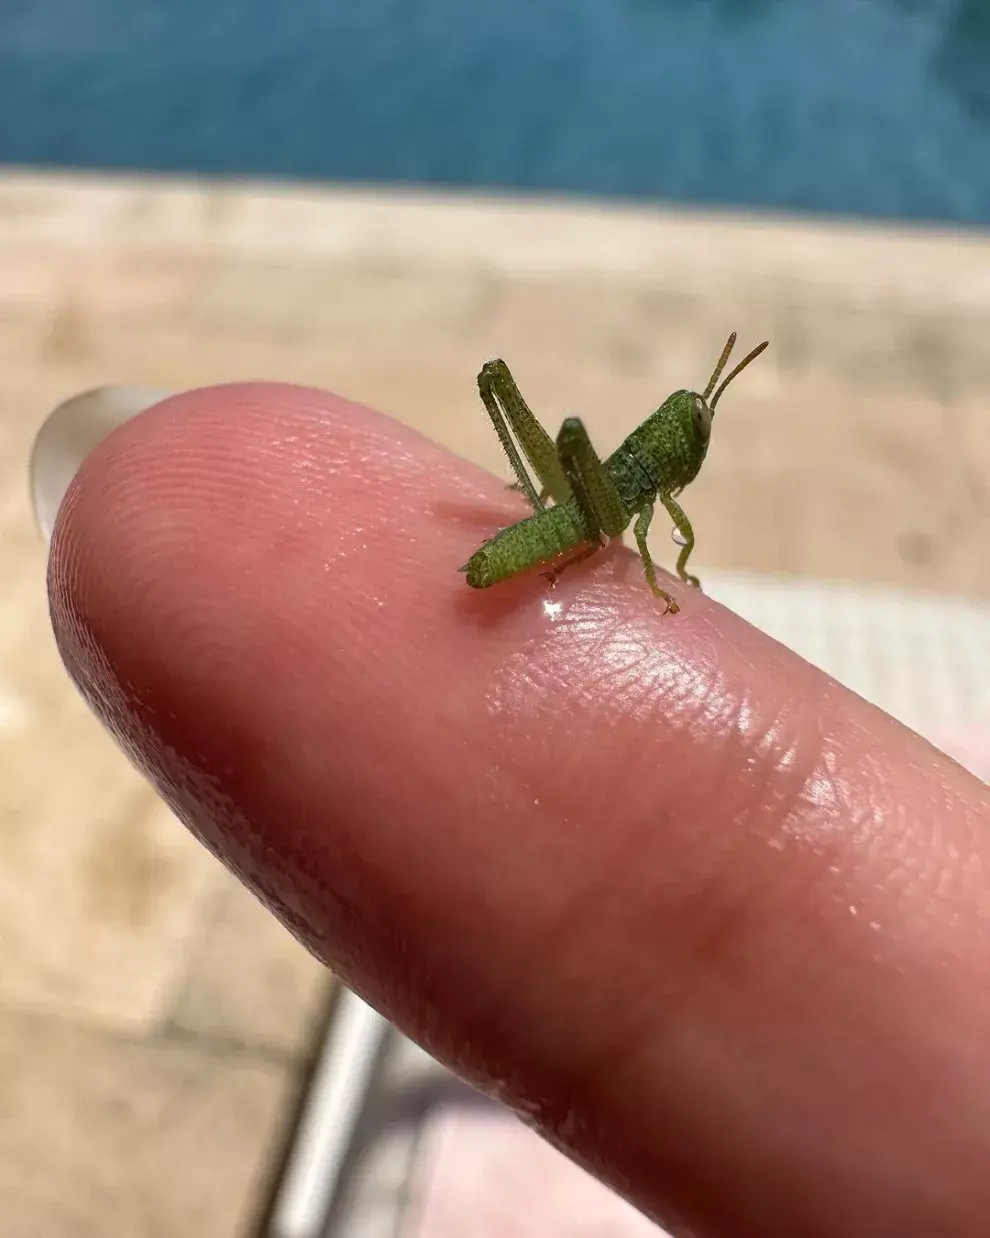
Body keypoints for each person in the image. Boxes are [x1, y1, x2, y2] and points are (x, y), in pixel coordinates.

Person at [48, 382, 990, 1238]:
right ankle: (556, 500)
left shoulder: (656, 471)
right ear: (678, 437)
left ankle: (561, 502)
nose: (695, 441)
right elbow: (654, 517)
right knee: (575, 442)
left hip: (579, 515)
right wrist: (655, 573)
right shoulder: (641, 480)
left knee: (594, 474)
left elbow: (669, 514)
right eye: (693, 427)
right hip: (569, 520)